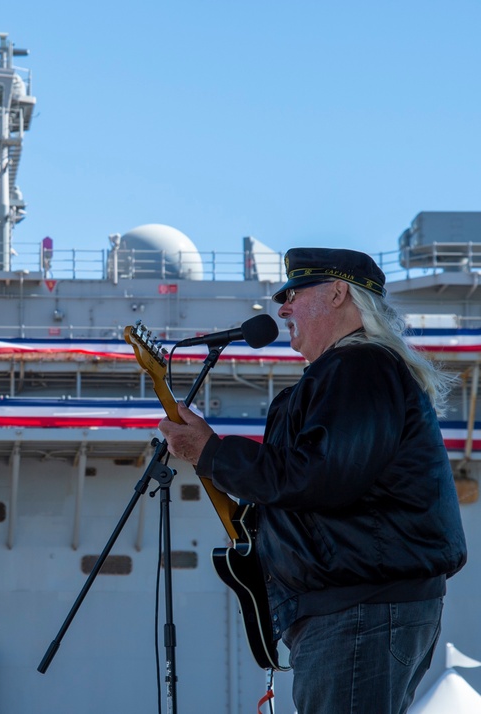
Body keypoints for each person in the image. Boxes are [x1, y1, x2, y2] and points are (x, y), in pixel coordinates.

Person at [158, 247, 468, 714]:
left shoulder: (359, 367)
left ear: (339, 293)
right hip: (356, 611)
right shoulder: (352, 371)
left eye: (294, 293)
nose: (281, 308)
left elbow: (319, 476)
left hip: (359, 613)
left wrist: (214, 452)